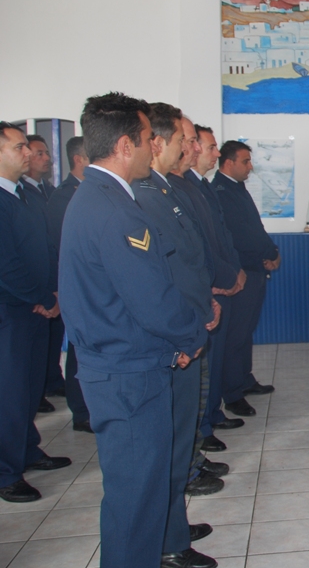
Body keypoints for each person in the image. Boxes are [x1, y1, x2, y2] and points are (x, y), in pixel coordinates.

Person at [59, 92, 215, 568]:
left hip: (123, 364)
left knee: (139, 494)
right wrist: (191, 337)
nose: (155, 147)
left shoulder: (97, 198)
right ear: (126, 146)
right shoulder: (115, 210)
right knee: (135, 500)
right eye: (149, 138)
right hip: (128, 375)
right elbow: (151, 298)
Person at [133, 103, 223, 564]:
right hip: (176, 336)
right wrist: (191, 322)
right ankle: (169, 543)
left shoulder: (166, 187)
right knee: (168, 446)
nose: (189, 147)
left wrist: (205, 302)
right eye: (184, 140)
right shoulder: (145, 194)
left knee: (179, 436)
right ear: (157, 143)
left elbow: (192, 257)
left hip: (190, 322)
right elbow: (164, 274)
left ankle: (173, 530)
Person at [0, 122, 69, 504]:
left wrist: (53, 291)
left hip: (36, 307)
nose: (27, 153)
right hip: (11, 311)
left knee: (27, 389)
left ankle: (26, 450)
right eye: (18, 147)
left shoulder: (24, 195)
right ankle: (6, 472)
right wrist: (41, 296)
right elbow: (6, 265)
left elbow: (45, 247)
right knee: (9, 394)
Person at [169, 118, 246, 455]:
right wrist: (221, 279)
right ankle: (202, 427)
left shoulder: (198, 187)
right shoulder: (177, 187)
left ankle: (209, 416)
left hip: (217, 282)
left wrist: (234, 272)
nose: (211, 152)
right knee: (203, 366)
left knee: (213, 362)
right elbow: (195, 249)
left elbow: (221, 237)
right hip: (205, 289)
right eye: (206, 145)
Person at [213, 140, 278, 417]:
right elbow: (239, 236)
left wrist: (273, 251)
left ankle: (244, 379)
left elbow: (256, 228)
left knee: (246, 331)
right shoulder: (220, 192)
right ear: (229, 163)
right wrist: (266, 255)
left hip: (255, 269)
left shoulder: (237, 188)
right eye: (245, 161)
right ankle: (232, 393)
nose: (250, 167)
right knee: (235, 336)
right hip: (242, 272)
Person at [43, 135, 92, 432]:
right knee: (78, 350)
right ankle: (81, 411)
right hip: (77, 284)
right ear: (79, 159)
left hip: (91, 284)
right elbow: (64, 246)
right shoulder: (65, 196)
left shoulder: (88, 191)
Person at [20, 134, 64, 411]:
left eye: (46, 153)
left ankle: (50, 380)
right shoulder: (17, 194)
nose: (46, 158)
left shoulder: (46, 190)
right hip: (26, 295)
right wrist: (42, 295)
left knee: (51, 340)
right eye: (39, 153)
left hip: (49, 284)